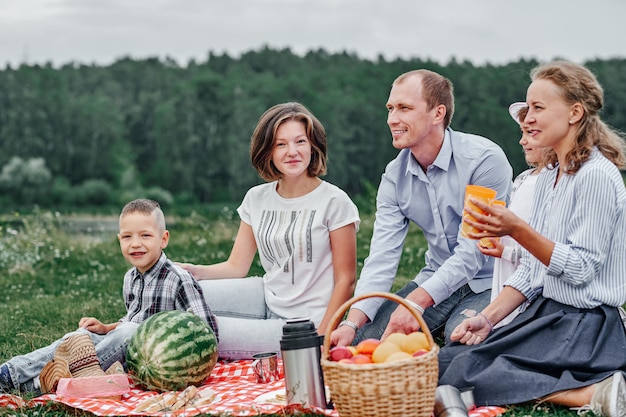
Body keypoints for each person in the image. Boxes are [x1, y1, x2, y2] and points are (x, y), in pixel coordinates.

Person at [438, 61, 626, 417]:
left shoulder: (596, 177)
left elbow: (581, 269)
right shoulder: (551, 174)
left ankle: (590, 394)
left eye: (538, 108)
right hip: (550, 315)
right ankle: (588, 388)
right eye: (528, 108)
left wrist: (516, 229)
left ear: (575, 112)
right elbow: (531, 270)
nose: (527, 118)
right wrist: (489, 318)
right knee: (449, 361)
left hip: (586, 325)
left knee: (467, 373)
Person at [330, 69, 512, 348]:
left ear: (438, 113)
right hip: (436, 277)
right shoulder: (394, 176)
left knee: (462, 342)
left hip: (490, 282)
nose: (392, 119)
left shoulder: (483, 160)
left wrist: (415, 302)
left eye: (404, 108)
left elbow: (472, 254)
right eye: (390, 109)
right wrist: (351, 322)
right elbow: (382, 257)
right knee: (361, 341)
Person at [178, 102, 360, 359]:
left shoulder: (334, 201)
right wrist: (195, 271)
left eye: (300, 142)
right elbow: (236, 266)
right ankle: (113, 334)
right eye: (281, 144)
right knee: (178, 294)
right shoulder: (256, 198)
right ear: (268, 152)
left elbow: (346, 281)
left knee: (195, 332)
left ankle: (112, 345)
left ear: (313, 146)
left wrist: (322, 335)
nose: (292, 152)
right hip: (264, 296)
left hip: (303, 324)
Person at [0, 198, 218, 395]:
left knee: (130, 332)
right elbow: (130, 321)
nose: (135, 243)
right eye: (127, 237)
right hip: (125, 341)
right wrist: (105, 328)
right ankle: (12, 373)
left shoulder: (179, 279)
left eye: (145, 235)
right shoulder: (130, 278)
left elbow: (207, 332)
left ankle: (51, 382)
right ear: (119, 239)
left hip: (153, 358)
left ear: (163, 239)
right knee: (78, 336)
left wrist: (180, 355)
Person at [477, 102, 545, 328]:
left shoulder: (554, 183)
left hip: (532, 297)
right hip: (508, 282)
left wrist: (508, 251)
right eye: (522, 132)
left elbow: (543, 253)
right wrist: (501, 248)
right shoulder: (523, 178)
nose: (522, 141)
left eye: (531, 133)